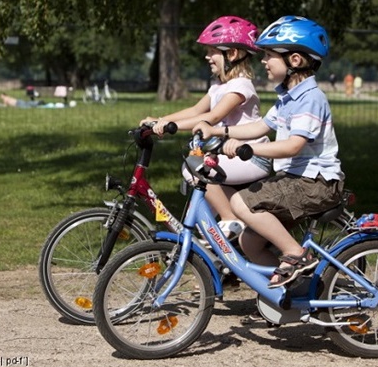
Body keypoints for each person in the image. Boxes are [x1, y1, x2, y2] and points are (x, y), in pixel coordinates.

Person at [193, 15, 345, 288]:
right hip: (297, 179)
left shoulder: (310, 98)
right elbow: (261, 125)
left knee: (240, 202)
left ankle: (297, 255)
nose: (262, 61)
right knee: (249, 241)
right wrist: (219, 131)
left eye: (269, 56)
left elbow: (293, 145)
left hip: (316, 182)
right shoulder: (288, 97)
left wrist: (249, 149)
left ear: (294, 61)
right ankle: (295, 292)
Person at [141, 15, 272, 240]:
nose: (207, 56)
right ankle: (221, 262)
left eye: (212, 51)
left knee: (195, 168)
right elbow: (195, 111)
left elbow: (212, 116)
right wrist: (160, 121)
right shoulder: (219, 87)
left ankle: (231, 218)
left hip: (251, 157)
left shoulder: (241, 86)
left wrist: (170, 127)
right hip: (230, 157)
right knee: (202, 221)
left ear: (231, 54)